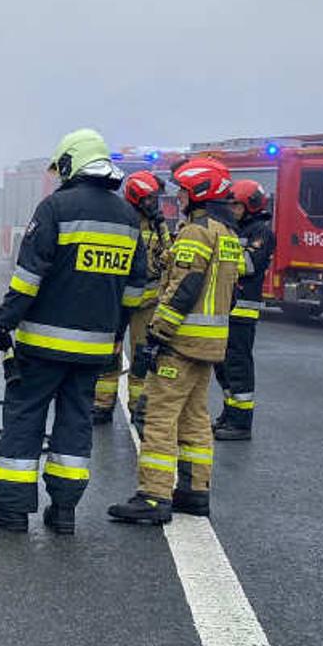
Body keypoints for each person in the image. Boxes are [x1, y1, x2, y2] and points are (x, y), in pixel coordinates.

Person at [0, 129, 151, 535]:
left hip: (41, 348)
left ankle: (12, 510)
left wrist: (2, 325)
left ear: (72, 162)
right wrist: (114, 334)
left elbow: (28, 279)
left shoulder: (55, 208)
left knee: (25, 420)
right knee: (75, 424)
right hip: (93, 351)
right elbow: (135, 290)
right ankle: (65, 511)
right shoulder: (127, 218)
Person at [108, 157, 240, 525]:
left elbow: (184, 286)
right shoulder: (227, 234)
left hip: (180, 343)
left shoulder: (197, 232)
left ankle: (153, 496)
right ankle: (195, 492)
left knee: (160, 417)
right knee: (196, 416)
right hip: (210, 344)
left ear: (198, 191)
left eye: (183, 189)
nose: (178, 196)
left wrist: (157, 334)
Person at [92, 171, 170, 425]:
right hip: (118, 299)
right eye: (149, 199)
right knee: (109, 353)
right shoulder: (121, 221)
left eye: (155, 199)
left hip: (147, 302)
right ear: (136, 198)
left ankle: (139, 407)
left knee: (141, 356)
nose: (154, 204)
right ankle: (102, 405)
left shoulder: (159, 225)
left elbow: (168, 258)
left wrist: (162, 228)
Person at [213, 179, 274, 441]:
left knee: (238, 366)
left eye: (236, 205)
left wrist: (220, 255)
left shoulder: (261, 232)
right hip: (226, 308)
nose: (231, 209)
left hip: (243, 311)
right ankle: (229, 412)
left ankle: (241, 422)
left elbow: (248, 265)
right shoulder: (233, 229)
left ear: (250, 206)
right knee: (222, 366)